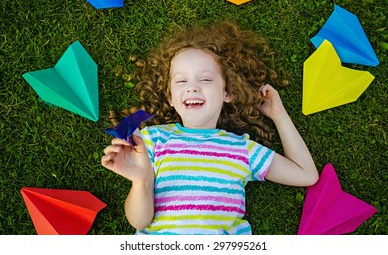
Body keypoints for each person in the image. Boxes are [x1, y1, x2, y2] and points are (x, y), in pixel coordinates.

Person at [101, 22, 319, 235]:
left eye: (205, 79)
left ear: (228, 92)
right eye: (181, 81)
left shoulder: (242, 149)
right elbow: (139, 222)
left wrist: (278, 115)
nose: (192, 87)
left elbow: (306, 175)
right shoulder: (151, 141)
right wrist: (142, 181)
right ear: (170, 97)